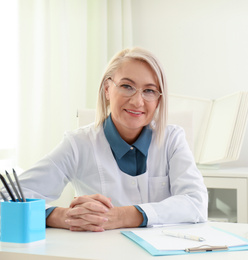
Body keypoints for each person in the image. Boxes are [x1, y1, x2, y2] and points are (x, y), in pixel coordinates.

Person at [13, 47, 208, 231]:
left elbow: (196, 203)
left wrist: (124, 216)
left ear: (159, 99)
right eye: (126, 86)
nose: (137, 101)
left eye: (149, 90)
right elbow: (9, 199)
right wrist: (63, 217)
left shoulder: (172, 140)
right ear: (107, 89)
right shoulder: (78, 144)